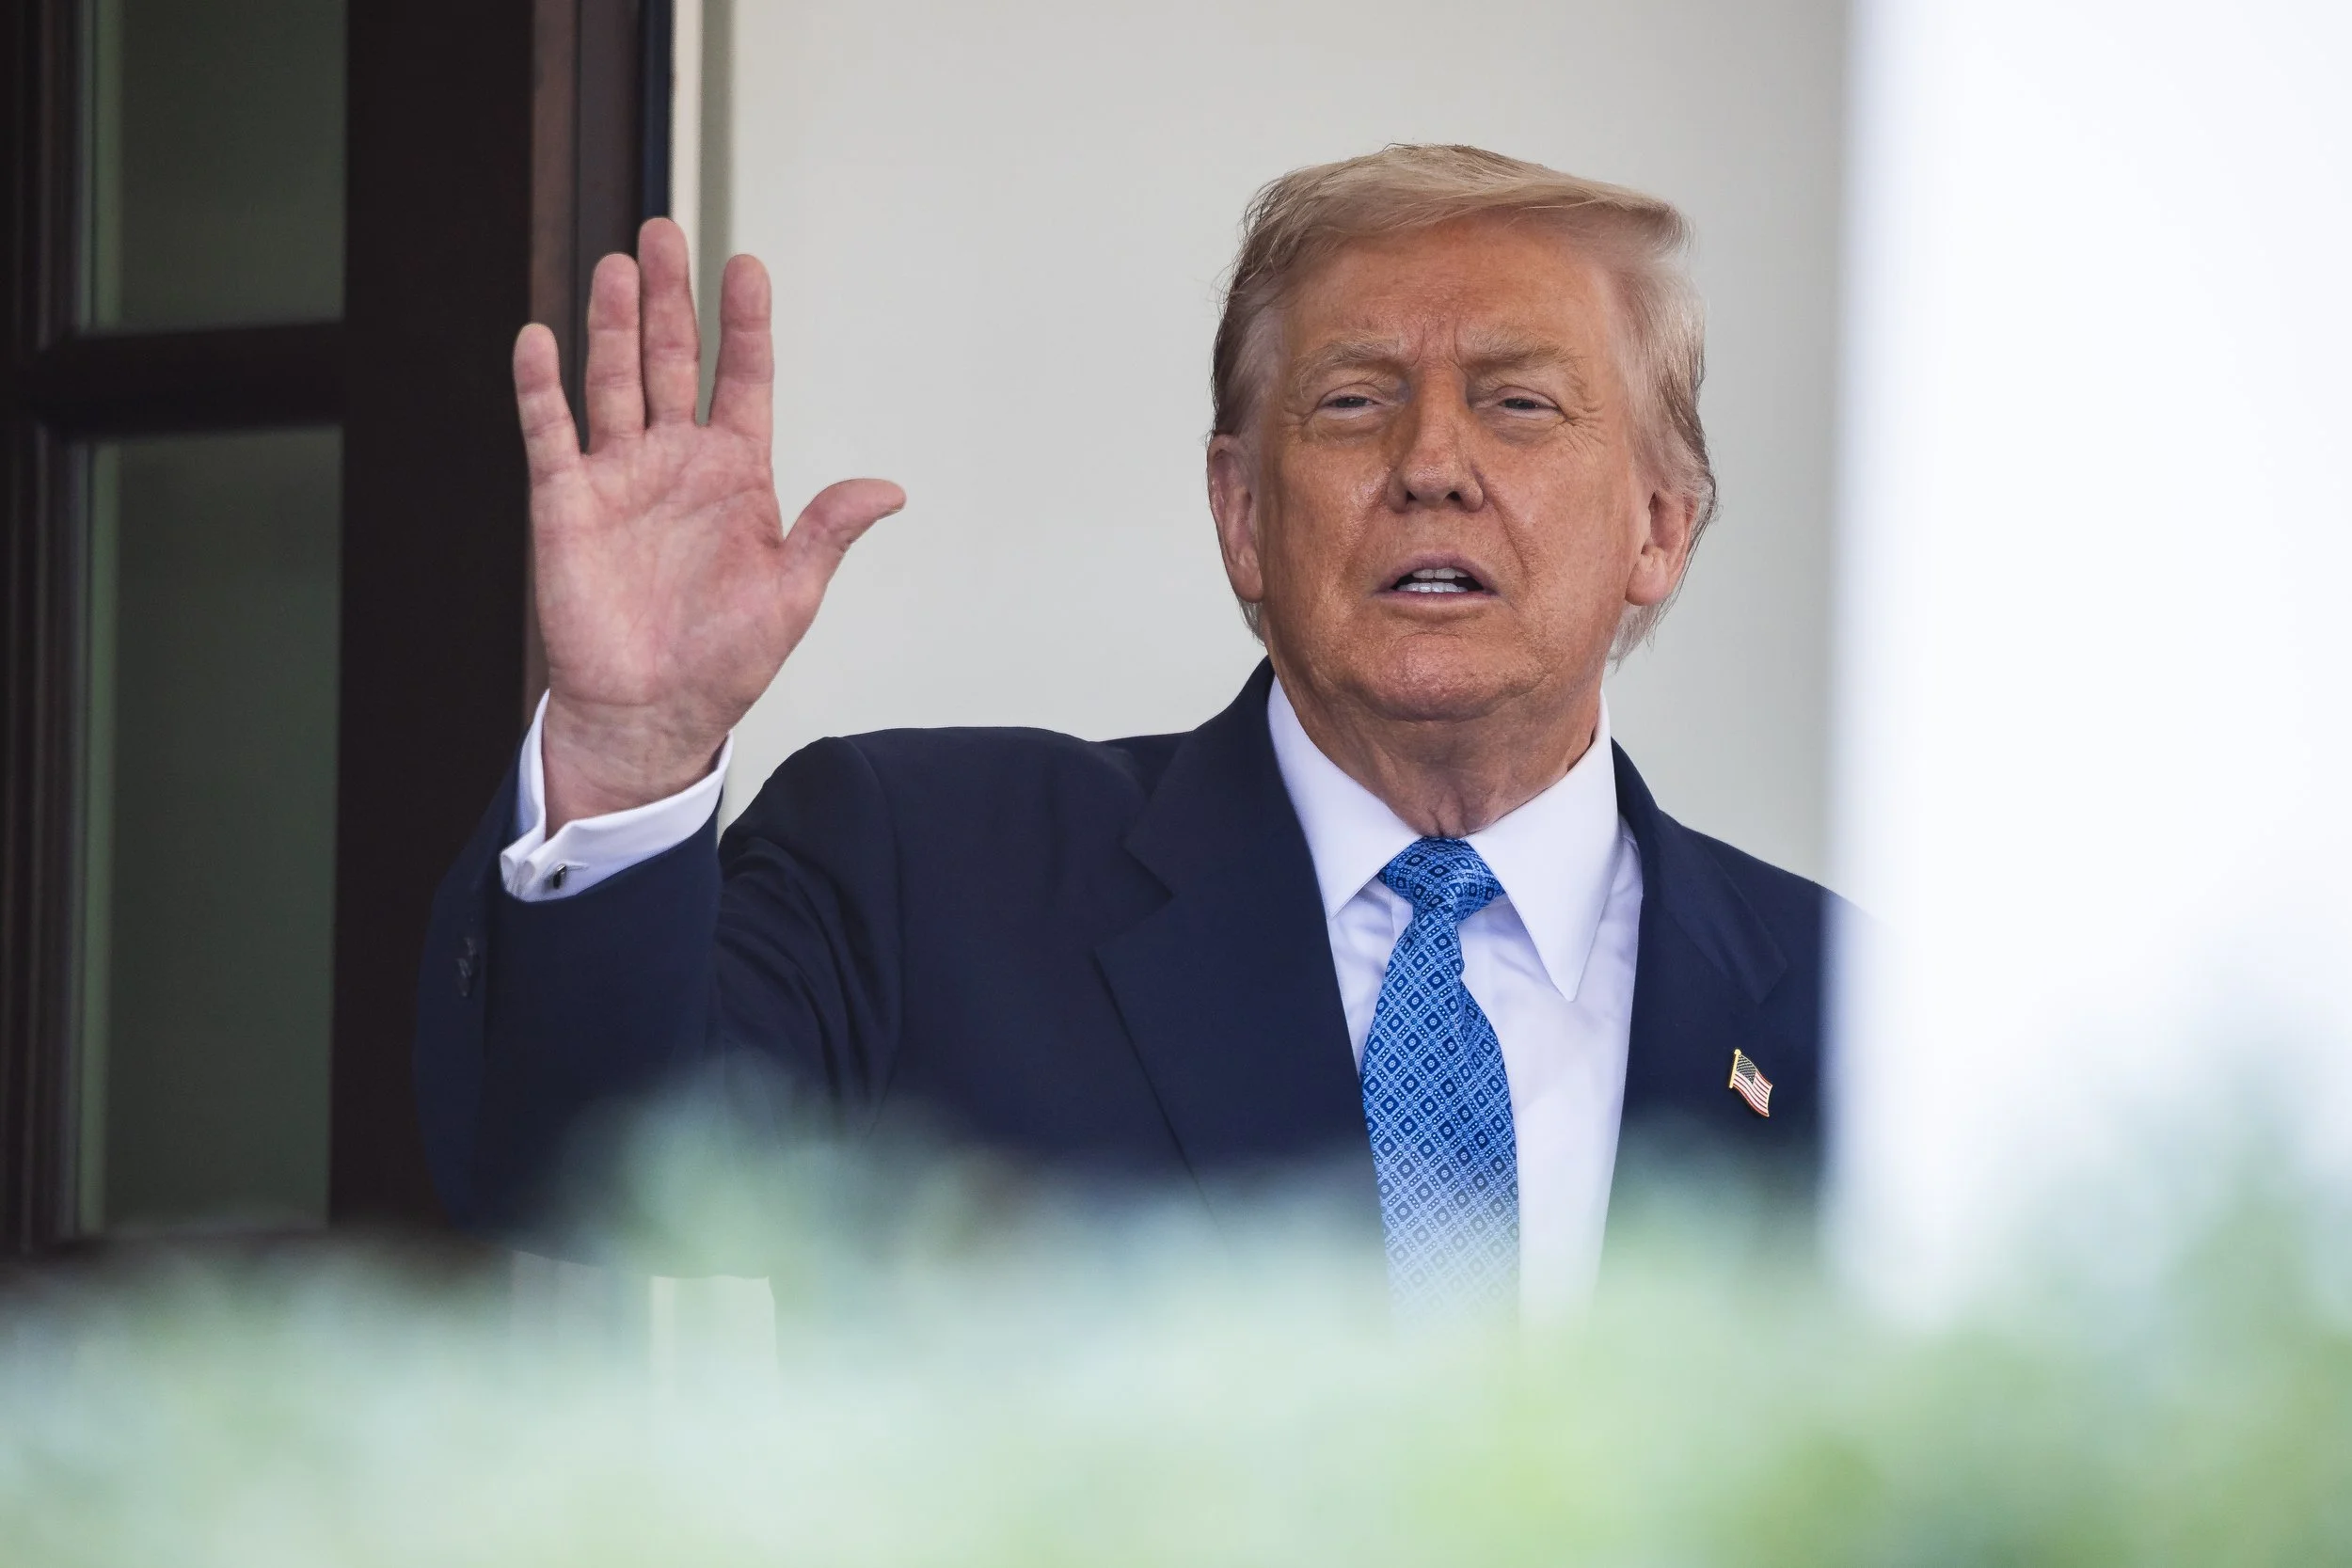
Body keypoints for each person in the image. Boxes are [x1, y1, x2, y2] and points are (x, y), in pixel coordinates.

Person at [416, 145, 1833, 1313]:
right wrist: (630, 752)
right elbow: (585, 1179)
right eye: (1354, 404)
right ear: (1241, 515)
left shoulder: (1861, 1016)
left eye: (1518, 403)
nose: (1431, 466)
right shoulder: (924, 872)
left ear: (1660, 524)